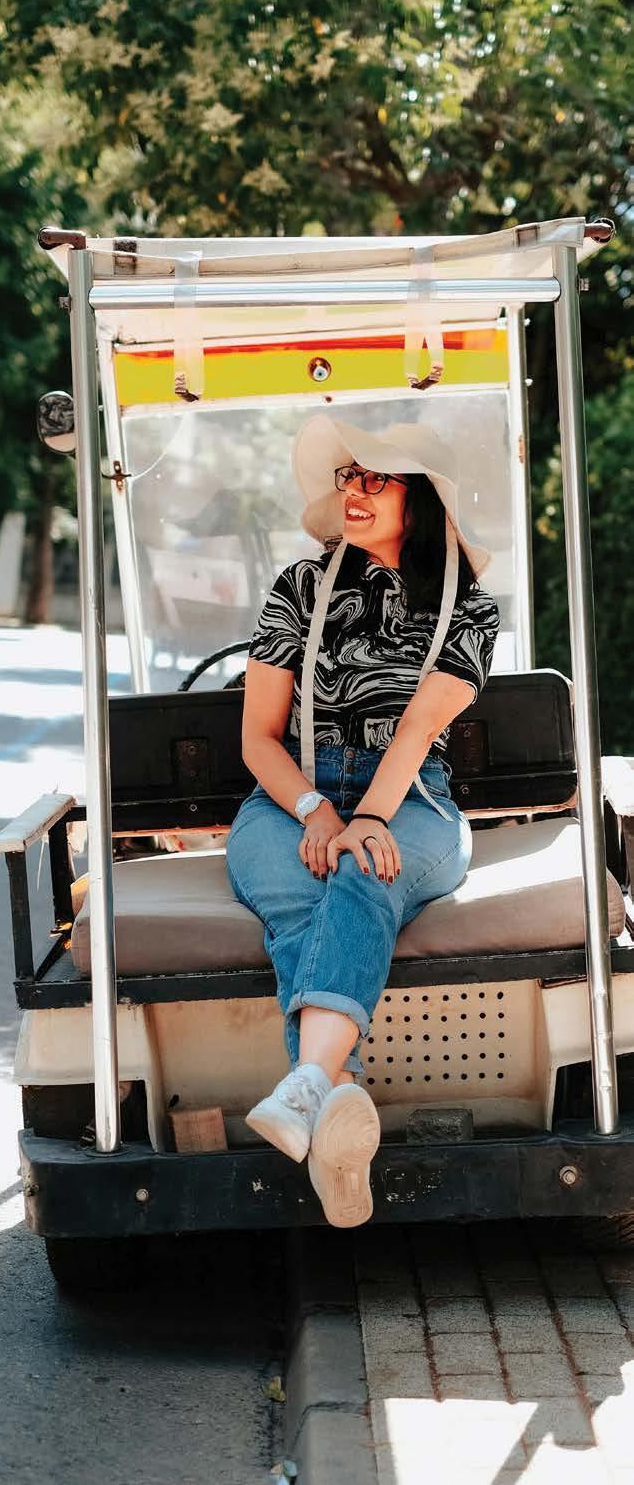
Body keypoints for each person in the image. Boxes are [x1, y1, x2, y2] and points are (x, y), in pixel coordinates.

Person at [226, 414, 499, 1227]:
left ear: (420, 499)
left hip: (412, 799)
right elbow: (257, 738)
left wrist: (368, 817)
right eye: (349, 475)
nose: (353, 488)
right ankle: (329, 1099)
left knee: (360, 873)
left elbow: (416, 730)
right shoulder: (298, 587)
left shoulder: (466, 607)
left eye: (376, 478)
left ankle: (308, 1085)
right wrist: (313, 808)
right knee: (297, 893)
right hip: (289, 796)